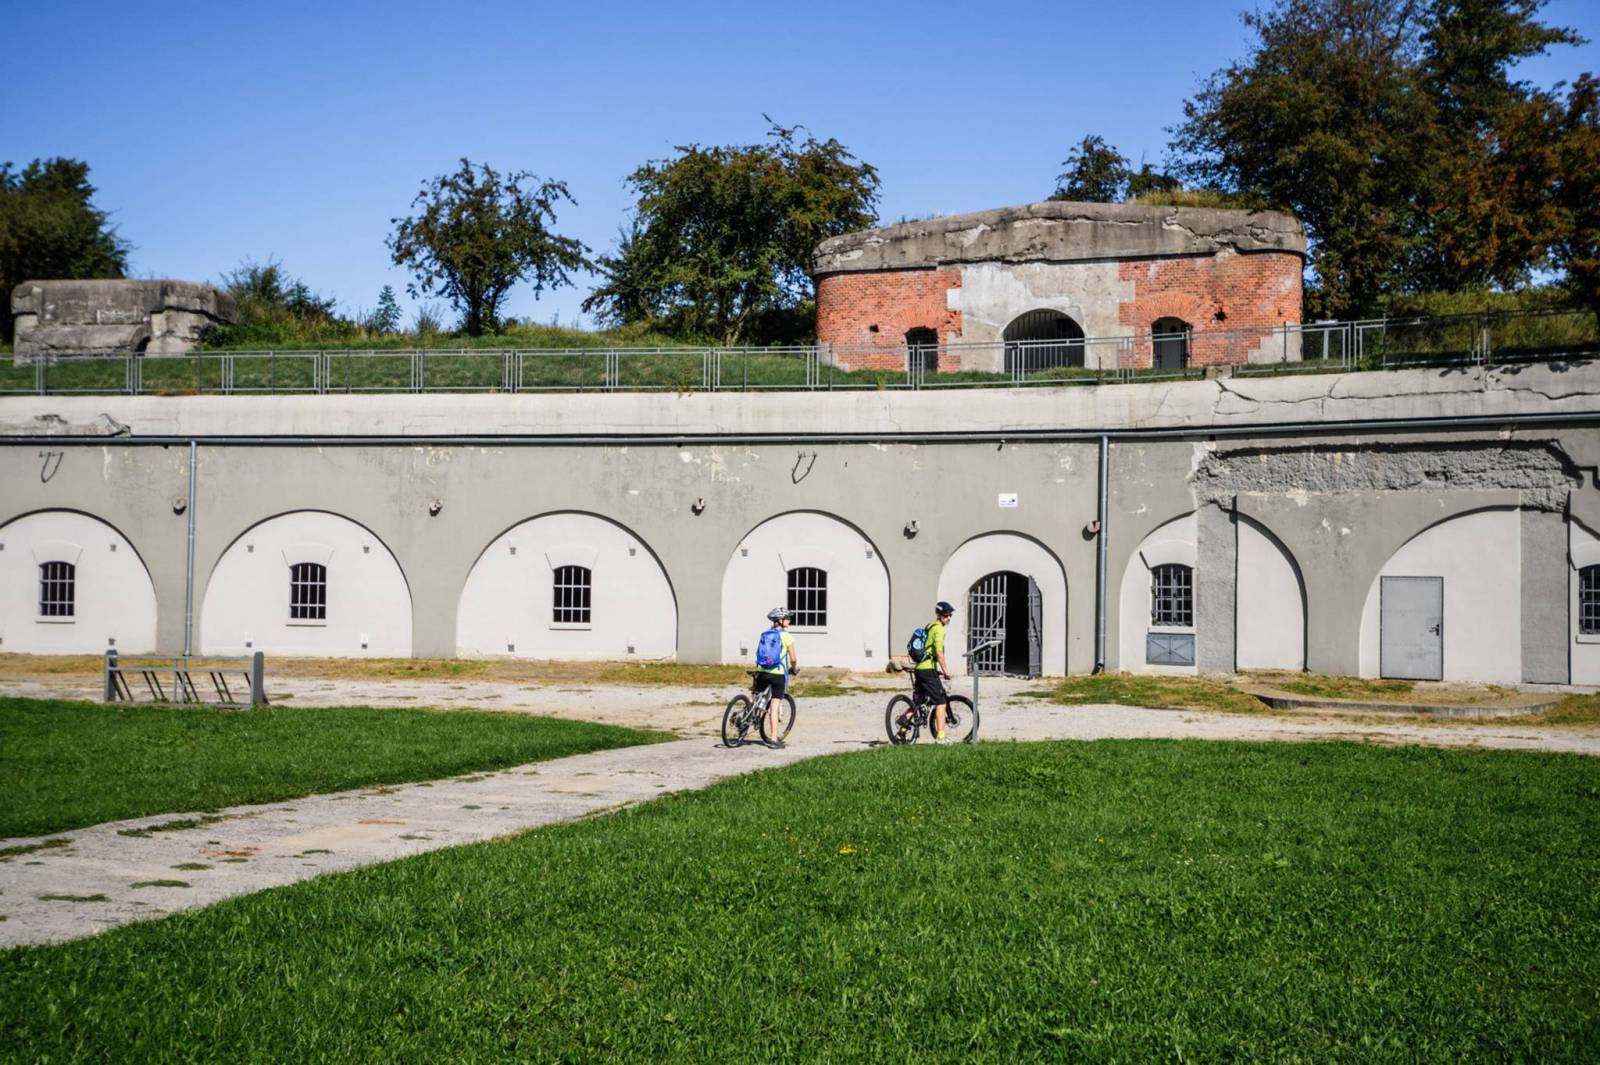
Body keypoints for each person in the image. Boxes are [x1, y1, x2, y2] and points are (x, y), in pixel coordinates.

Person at [753, 606, 798, 749]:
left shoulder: (765, 634)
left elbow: (759, 653)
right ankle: (773, 739)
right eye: (787, 618)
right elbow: (793, 658)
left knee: (755, 697)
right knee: (774, 706)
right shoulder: (787, 636)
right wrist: (794, 669)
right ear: (780, 620)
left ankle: (744, 717)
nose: (789, 620)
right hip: (777, 674)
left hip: (762, 672)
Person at [915, 600, 954, 742]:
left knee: (919, 701)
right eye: (946, 616)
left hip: (919, 668)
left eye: (950, 615)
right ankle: (941, 737)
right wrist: (946, 671)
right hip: (927, 669)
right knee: (941, 701)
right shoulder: (939, 629)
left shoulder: (930, 626)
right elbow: (939, 652)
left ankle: (903, 724)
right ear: (939, 616)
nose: (948, 618)